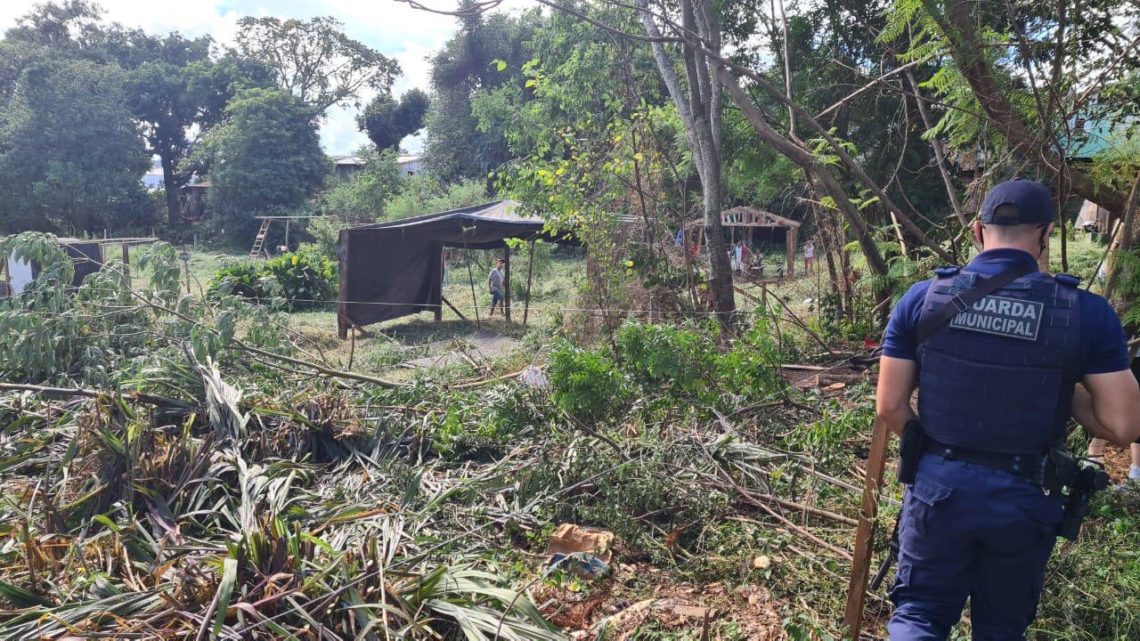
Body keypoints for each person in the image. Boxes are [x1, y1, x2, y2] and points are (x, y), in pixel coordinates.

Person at [876, 179, 1140, 640]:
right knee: (1001, 629)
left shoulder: (923, 298)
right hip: (1025, 497)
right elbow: (1124, 425)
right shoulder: (1085, 314)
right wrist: (1065, 382)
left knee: (919, 615)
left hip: (938, 489)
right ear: (1045, 234)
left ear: (978, 231)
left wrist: (935, 455)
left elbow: (891, 407)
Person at [1087, 336, 1140, 481]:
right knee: (1113, 407)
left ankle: (1136, 475)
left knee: (1136, 414)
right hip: (1123, 357)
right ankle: (1092, 460)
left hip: (1129, 357)